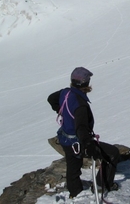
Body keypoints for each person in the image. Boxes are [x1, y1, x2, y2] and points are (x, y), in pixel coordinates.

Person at [47, 67, 120, 198]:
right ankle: (102, 186)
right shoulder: (80, 104)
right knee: (112, 153)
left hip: (65, 138)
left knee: (73, 166)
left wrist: (62, 111)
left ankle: (75, 193)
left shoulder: (65, 92)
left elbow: (51, 98)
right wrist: (89, 145)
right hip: (78, 142)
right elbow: (81, 127)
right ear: (86, 83)